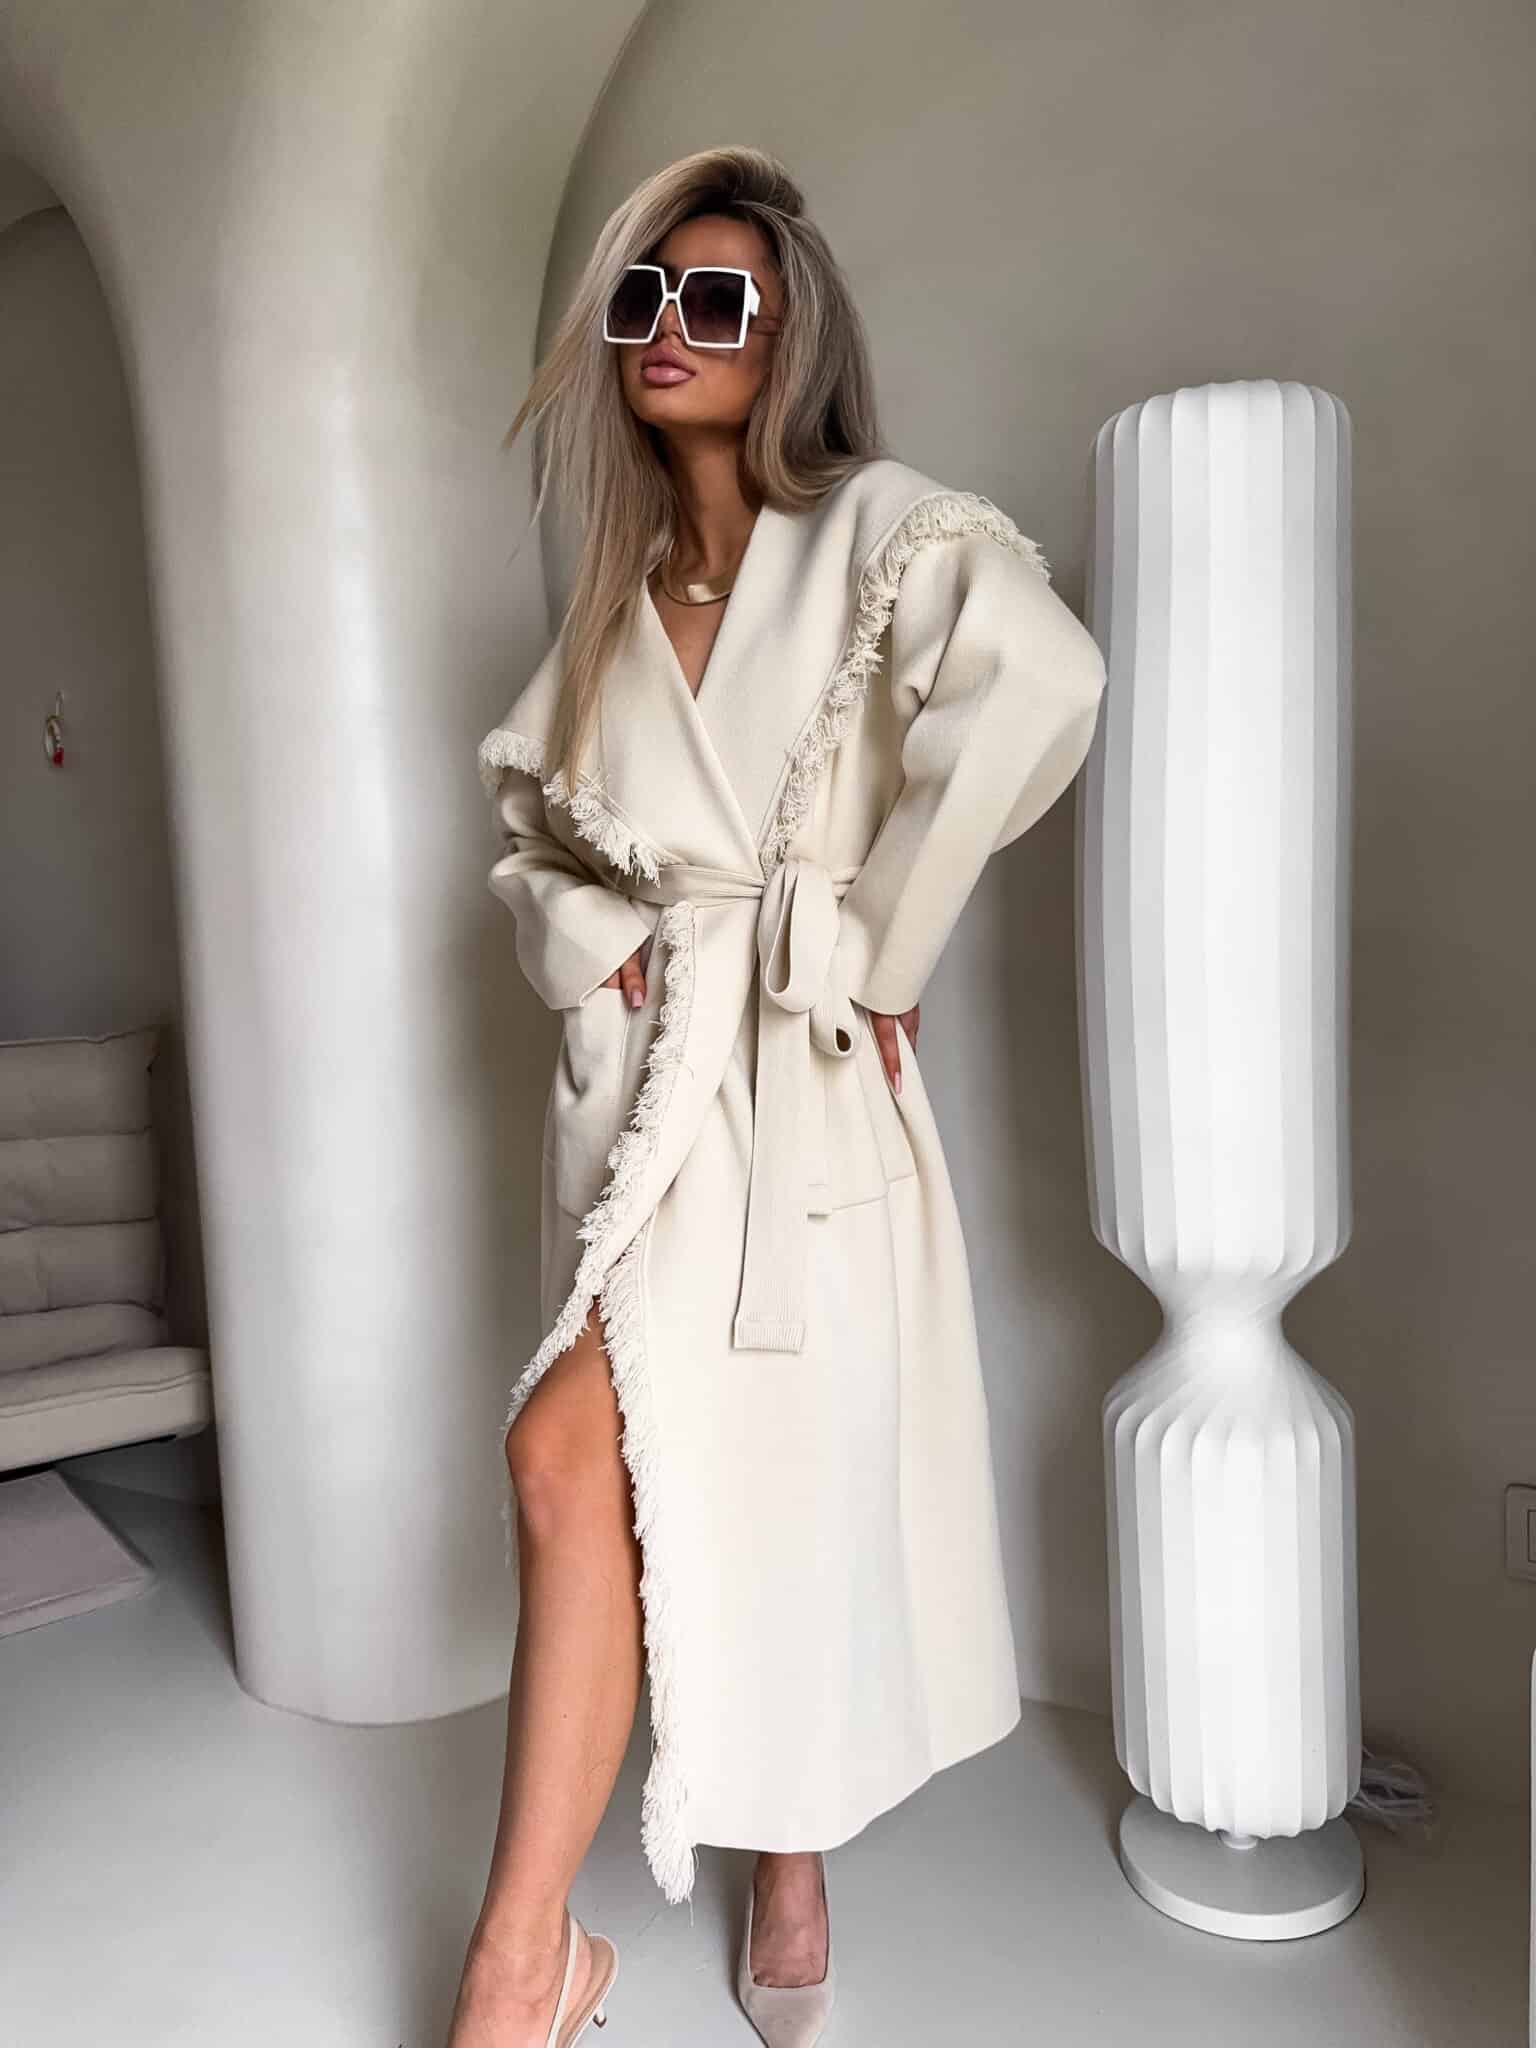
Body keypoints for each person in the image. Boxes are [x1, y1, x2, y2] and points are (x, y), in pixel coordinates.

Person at [449, 145, 1108, 2048]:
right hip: (645, 1108)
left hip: (798, 1090)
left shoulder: (883, 530)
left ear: (785, 333)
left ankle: (768, 1857)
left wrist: (875, 947)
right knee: (575, 1463)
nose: (670, 327)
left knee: (777, 1474)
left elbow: (1044, 680)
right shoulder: (609, 605)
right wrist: (590, 930)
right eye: (643, 297)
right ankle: (531, 1961)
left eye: (715, 297)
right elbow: (529, 837)